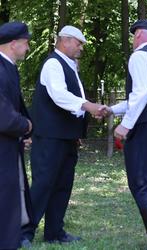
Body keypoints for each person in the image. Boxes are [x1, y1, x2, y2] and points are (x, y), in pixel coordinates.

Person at [22, 25, 103, 244]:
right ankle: (24, 233)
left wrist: (77, 127)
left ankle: (54, 232)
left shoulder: (70, 65)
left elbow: (71, 100)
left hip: (66, 137)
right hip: (49, 136)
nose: (80, 48)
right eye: (78, 43)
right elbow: (58, 95)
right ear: (64, 41)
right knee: (43, 184)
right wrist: (87, 106)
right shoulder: (53, 64)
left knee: (63, 185)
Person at [100, 20, 147, 249]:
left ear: (140, 35)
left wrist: (125, 125)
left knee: (142, 185)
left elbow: (142, 93)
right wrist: (112, 110)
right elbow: (146, 96)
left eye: (134, 35)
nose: (133, 40)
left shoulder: (139, 57)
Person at [0, 21, 33, 250]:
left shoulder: (7, 67)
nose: (28, 49)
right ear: (13, 44)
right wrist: (25, 126)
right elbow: (3, 114)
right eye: (25, 44)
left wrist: (24, 131)